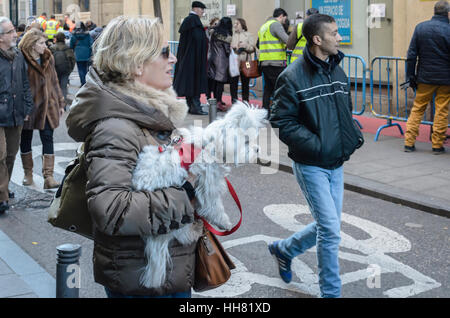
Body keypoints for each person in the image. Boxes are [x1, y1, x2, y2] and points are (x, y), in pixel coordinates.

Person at [66, 16, 198, 298]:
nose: (173, 58)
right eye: (164, 52)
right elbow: (111, 209)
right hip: (142, 279)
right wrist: (185, 192)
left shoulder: (146, 111)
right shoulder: (116, 126)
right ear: (136, 63)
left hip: (160, 270)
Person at [269, 13, 364, 298]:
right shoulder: (292, 76)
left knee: (328, 225)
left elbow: (343, 109)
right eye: (334, 33)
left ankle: (284, 250)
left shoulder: (336, 69)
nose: (339, 38)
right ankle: (331, 294)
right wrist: (318, 145)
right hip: (311, 164)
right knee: (331, 231)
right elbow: (282, 122)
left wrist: (351, 133)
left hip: (337, 161)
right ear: (317, 39)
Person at [18, 29, 65, 189]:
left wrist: (60, 101)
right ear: (32, 44)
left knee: (47, 137)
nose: (45, 46)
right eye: (41, 43)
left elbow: (54, 80)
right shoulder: (21, 58)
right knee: (25, 139)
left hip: (48, 105)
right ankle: (28, 173)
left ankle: (49, 177)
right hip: (29, 107)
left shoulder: (48, 57)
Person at [404, 0, 450, 155]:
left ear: (434, 11)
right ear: (447, 13)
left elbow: (411, 55)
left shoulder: (421, 28)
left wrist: (411, 76)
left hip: (425, 78)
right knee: (442, 111)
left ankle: (409, 142)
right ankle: (437, 145)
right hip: (445, 79)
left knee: (418, 109)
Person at [0, 17, 34, 214]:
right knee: (0, 155)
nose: (15, 34)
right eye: (11, 31)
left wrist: (27, 107)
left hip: (16, 112)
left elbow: (24, 82)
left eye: (14, 30)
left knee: (11, 154)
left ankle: (3, 187)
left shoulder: (19, 55)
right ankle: (2, 196)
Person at [173, 1, 208, 115]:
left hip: (189, 58)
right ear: (196, 9)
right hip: (194, 59)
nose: (203, 12)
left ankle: (191, 106)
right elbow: (198, 40)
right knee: (194, 81)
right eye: (202, 9)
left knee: (190, 82)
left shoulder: (190, 21)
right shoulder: (193, 21)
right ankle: (195, 107)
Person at [258, 8, 289, 114]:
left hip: (264, 61)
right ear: (281, 16)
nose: (285, 21)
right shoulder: (275, 25)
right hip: (275, 62)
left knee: (268, 88)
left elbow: (258, 44)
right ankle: (278, 111)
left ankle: (265, 110)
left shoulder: (264, 26)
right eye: (285, 18)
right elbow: (287, 40)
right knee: (279, 88)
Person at [207, 17, 233, 112]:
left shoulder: (214, 32)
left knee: (213, 81)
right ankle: (218, 102)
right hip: (221, 61)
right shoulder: (226, 35)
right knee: (220, 83)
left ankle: (213, 101)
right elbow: (227, 50)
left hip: (212, 58)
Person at [230, 18, 256, 104]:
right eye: (234, 24)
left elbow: (253, 48)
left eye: (237, 23)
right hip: (234, 62)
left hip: (246, 62)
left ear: (242, 24)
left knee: (245, 83)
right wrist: (232, 47)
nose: (235, 25)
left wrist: (245, 46)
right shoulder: (232, 35)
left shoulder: (248, 35)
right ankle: (234, 102)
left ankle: (245, 101)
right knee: (233, 83)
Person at [50, 32, 76, 101]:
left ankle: (56, 103)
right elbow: (72, 60)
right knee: (63, 87)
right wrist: (70, 70)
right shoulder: (67, 48)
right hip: (65, 70)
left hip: (54, 70)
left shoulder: (52, 48)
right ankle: (63, 103)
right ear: (64, 39)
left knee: (55, 86)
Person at [70, 21, 93, 86]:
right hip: (86, 53)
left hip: (78, 53)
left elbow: (71, 45)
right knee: (86, 68)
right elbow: (91, 43)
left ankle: (82, 82)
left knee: (80, 69)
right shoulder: (87, 34)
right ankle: (86, 82)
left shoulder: (74, 35)